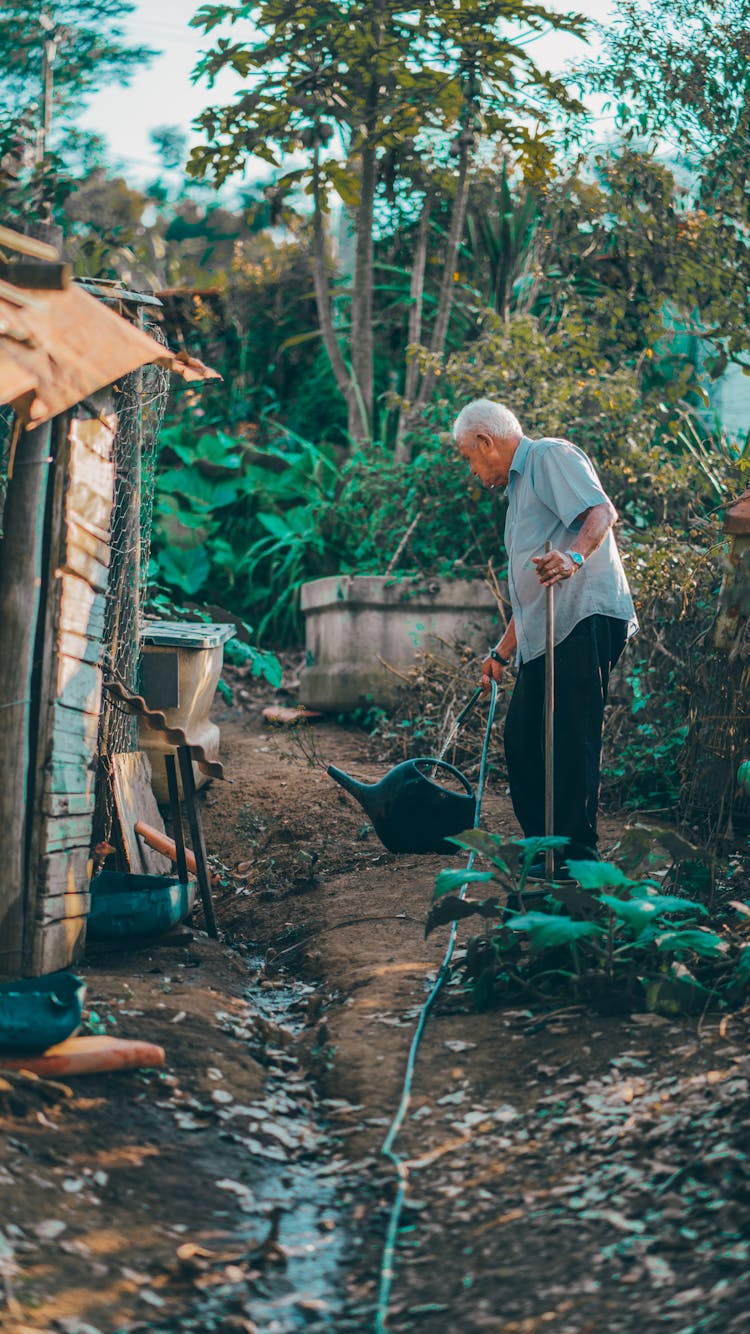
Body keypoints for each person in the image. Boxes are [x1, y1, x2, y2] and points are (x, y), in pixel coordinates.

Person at [453, 399, 637, 874]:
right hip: (547, 628)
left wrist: (573, 557)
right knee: (524, 737)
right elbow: (531, 591)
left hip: (580, 617)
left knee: (568, 737)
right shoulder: (518, 491)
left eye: (467, 457)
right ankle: (547, 852)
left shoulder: (549, 457)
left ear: (486, 442)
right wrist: (502, 651)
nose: (470, 470)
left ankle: (577, 862)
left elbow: (601, 511)